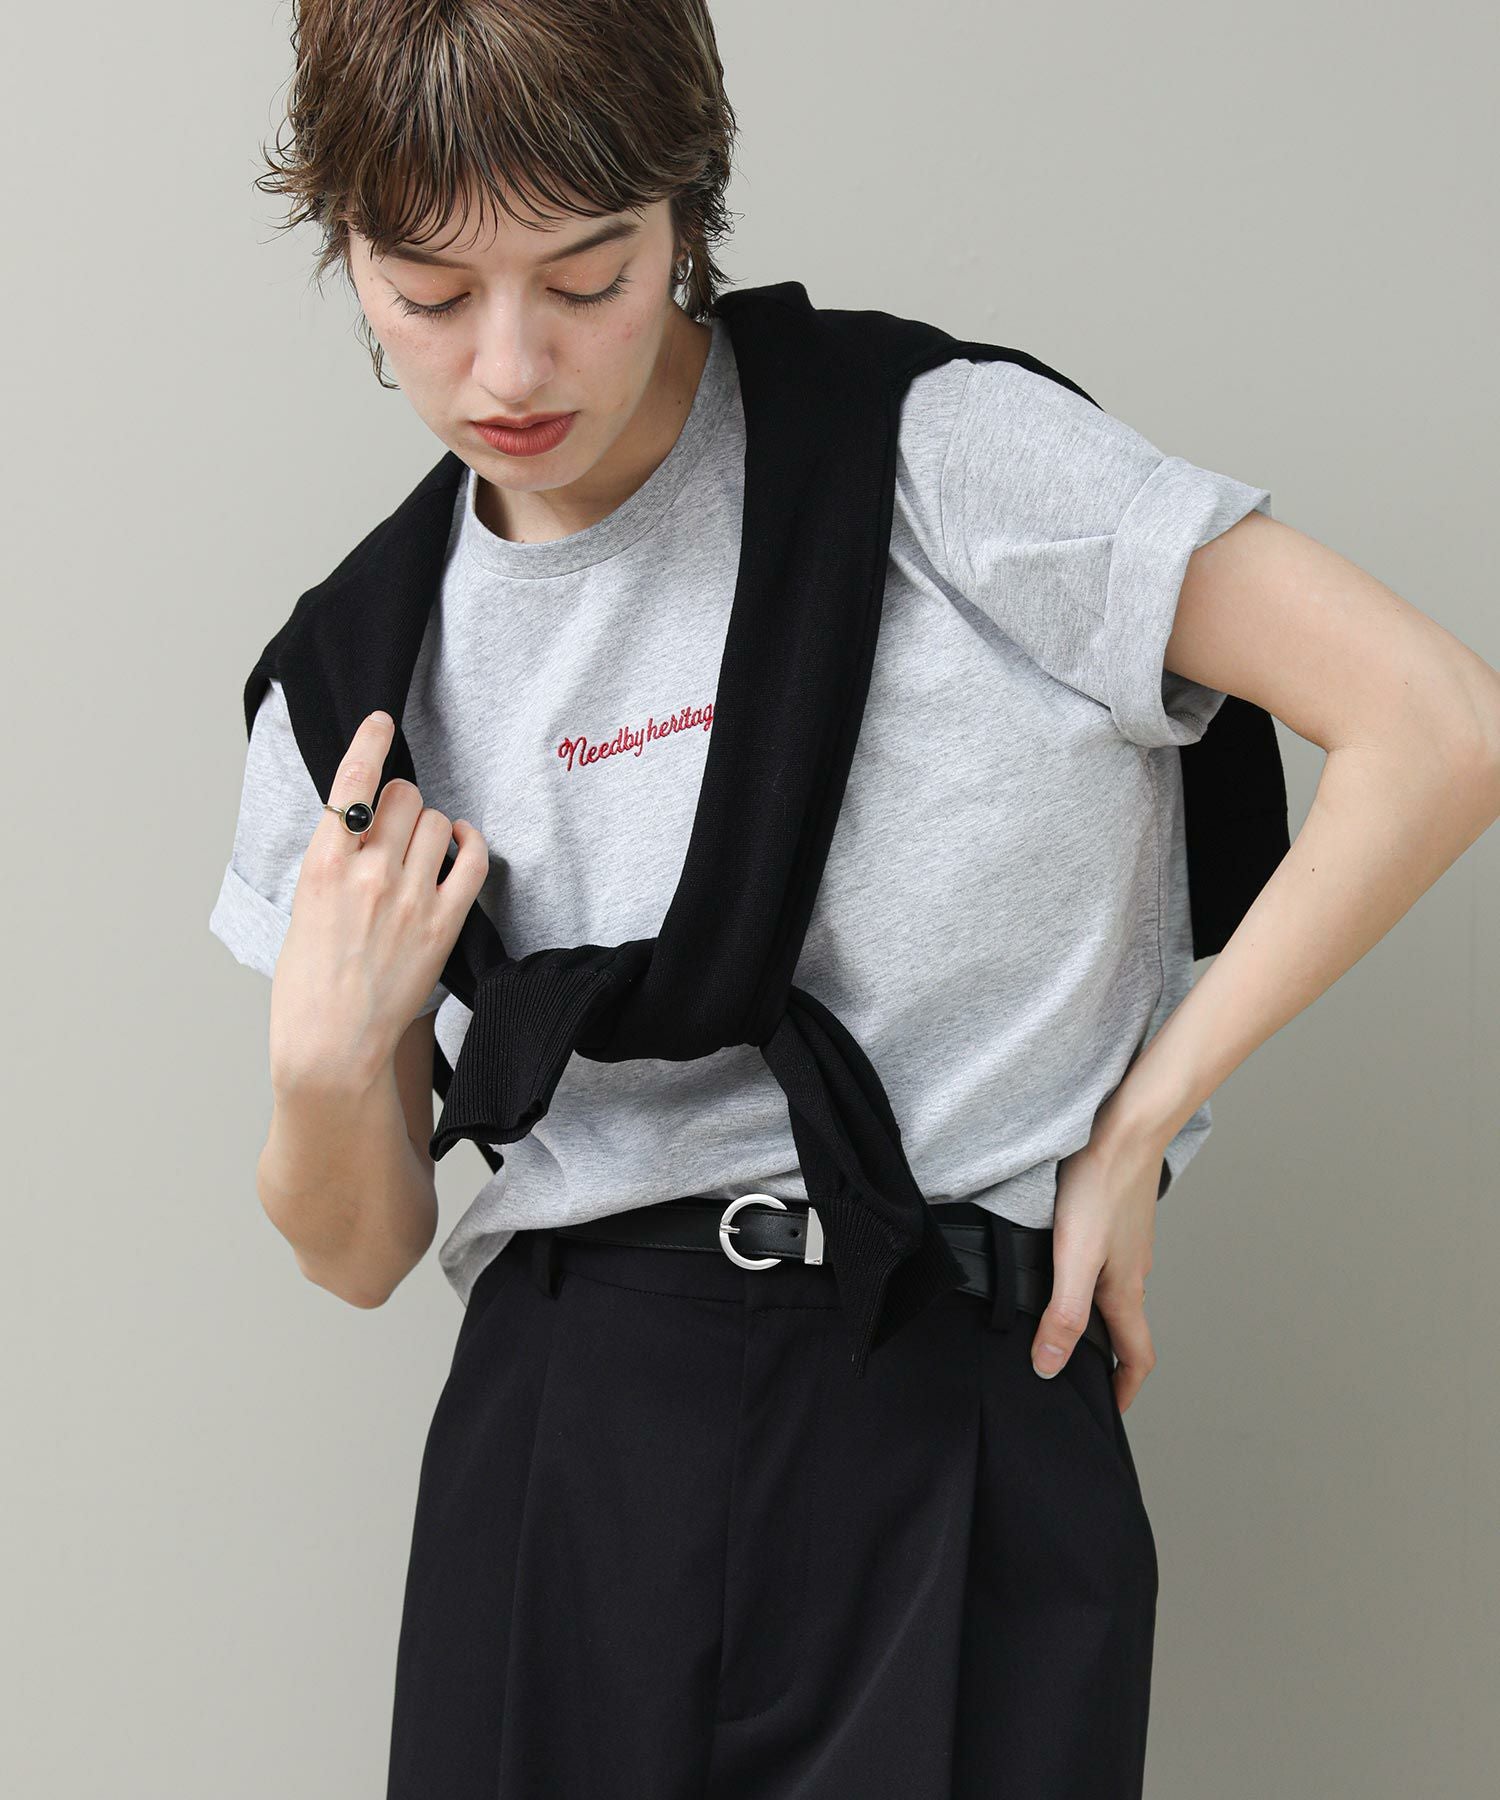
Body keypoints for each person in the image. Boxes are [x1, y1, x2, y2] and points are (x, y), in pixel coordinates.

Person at [207, 3, 1500, 1795]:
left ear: (686, 211)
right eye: (429, 295)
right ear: (346, 247)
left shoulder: (934, 457)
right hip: (564, 1439)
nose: (508, 363)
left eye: (586, 277)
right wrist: (323, 1064)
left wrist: (1137, 1131)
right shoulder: (355, 675)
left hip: (949, 1386)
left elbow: (1436, 726)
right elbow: (359, 1253)